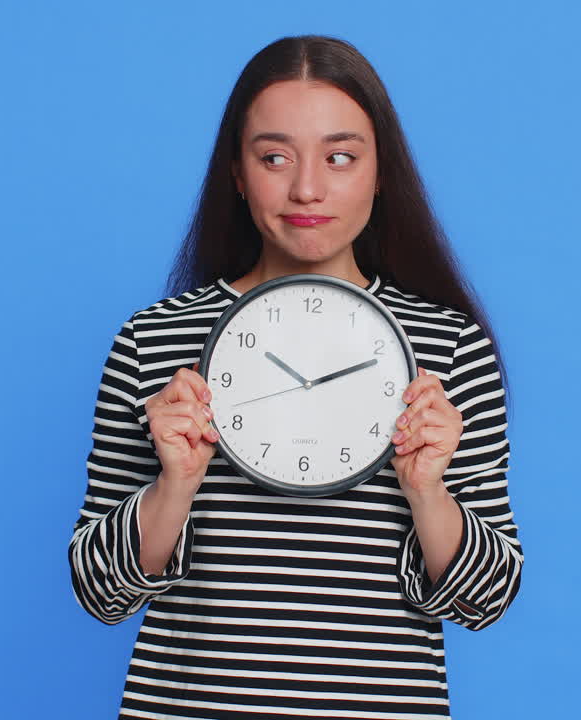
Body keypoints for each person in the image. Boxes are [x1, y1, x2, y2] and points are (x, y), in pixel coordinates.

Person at [68, 35, 523, 720]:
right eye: (275, 157)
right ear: (237, 172)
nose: (307, 188)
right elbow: (100, 593)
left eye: (340, 157)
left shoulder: (449, 348)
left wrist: (428, 493)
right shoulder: (153, 342)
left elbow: (486, 599)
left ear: (380, 171)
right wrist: (174, 484)